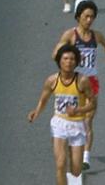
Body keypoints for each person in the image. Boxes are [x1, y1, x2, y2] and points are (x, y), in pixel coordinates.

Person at [52, 1, 105, 171]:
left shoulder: (97, 36)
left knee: (88, 120)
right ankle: (70, 151)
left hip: (91, 81)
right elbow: (57, 52)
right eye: (86, 16)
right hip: (74, 82)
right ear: (78, 16)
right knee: (71, 120)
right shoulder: (70, 35)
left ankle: (86, 157)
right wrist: (61, 57)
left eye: (92, 17)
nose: (89, 20)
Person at [27, 45, 96, 185]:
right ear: (59, 61)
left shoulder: (82, 80)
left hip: (77, 125)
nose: (68, 62)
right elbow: (44, 99)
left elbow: (92, 103)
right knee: (60, 164)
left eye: (72, 59)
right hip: (59, 123)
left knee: (76, 169)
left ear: (76, 62)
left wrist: (78, 110)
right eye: (65, 58)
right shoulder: (52, 80)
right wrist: (36, 112)